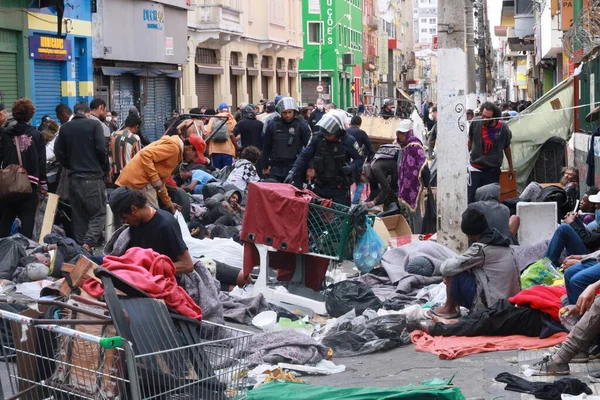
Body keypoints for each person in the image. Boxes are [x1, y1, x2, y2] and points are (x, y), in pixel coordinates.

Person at [431, 207, 521, 318]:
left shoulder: (482, 249)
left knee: (453, 271)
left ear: (469, 234)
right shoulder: (501, 241)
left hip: (492, 307)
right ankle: (450, 308)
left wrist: (449, 274)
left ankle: (449, 309)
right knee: (462, 268)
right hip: (510, 304)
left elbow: (446, 268)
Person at [54, 101, 107, 252]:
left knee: (79, 216)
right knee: (98, 213)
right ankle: (88, 244)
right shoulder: (94, 125)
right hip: (92, 177)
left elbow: (59, 153)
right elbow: (101, 150)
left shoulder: (64, 128)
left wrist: (70, 165)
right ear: (87, 113)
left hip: (74, 179)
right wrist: (100, 166)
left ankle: (81, 252)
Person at [286, 111, 365, 205]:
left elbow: (360, 158)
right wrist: (293, 171)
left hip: (339, 187)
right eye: (325, 135)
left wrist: (351, 167)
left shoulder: (348, 141)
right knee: (314, 216)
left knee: (340, 216)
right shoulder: (318, 138)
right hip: (320, 184)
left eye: (329, 135)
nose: (326, 137)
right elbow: (304, 156)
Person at [108, 186, 193, 273]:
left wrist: (152, 268)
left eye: (125, 217)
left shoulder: (166, 224)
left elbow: (187, 265)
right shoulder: (136, 223)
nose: (125, 222)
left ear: (134, 209)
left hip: (159, 277)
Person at [116, 133, 207, 214]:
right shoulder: (173, 149)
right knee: (152, 216)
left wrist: (169, 203)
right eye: (195, 155)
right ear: (189, 148)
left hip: (138, 181)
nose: (194, 160)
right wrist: (155, 178)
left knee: (150, 216)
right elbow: (145, 154)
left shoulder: (175, 152)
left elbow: (161, 184)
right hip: (138, 182)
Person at [0, 99, 47, 239]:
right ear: (31, 115)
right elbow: (41, 162)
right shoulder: (37, 135)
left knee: (6, 218)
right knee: (27, 219)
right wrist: (43, 183)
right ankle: (25, 250)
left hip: (9, 183)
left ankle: (2, 249)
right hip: (29, 183)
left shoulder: (6, 134)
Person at [467, 101, 514, 204]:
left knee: (491, 201)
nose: (485, 119)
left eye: (488, 117)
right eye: (483, 116)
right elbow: (470, 140)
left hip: (492, 170)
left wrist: (511, 166)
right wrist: (466, 157)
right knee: (472, 199)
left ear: (494, 117)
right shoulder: (475, 122)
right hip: (475, 168)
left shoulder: (503, 128)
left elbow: (507, 147)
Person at [262, 97, 311, 183]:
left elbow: (309, 148)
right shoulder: (272, 125)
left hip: (295, 168)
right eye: (284, 113)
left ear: (294, 111)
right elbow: (266, 147)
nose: (287, 115)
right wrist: (265, 166)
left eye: (290, 112)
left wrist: (310, 167)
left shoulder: (302, 125)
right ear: (280, 112)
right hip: (276, 168)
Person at [394, 119, 427, 211]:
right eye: (399, 133)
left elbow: (423, 165)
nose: (401, 136)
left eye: (403, 133)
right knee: (409, 215)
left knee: (416, 215)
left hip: (416, 186)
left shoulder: (415, 146)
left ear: (409, 133)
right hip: (405, 186)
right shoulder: (403, 147)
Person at [346, 115, 375, 204]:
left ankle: (346, 202)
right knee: (360, 182)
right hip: (357, 161)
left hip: (345, 161)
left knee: (345, 183)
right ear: (359, 124)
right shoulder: (361, 133)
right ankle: (355, 202)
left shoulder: (345, 132)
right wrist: (369, 159)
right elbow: (371, 149)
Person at [365, 143, 400, 209]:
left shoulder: (375, 170)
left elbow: (386, 188)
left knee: (392, 193)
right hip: (389, 170)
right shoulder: (371, 169)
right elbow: (374, 189)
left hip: (396, 170)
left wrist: (373, 202)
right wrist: (370, 200)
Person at [204, 102, 237, 169]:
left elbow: (208, 133)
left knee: (216, 170)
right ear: (228, 110)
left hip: (215, 150)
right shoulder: (232, 119)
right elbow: (237, 135)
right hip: (228, 150)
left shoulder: (213, 119)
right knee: (227, 171)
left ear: (218, 110)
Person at [110, 113, 142, 179]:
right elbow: (138, 159)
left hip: (115, 174)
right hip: (128, 175)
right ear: (136, 126)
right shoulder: (135, 138)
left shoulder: (114, 135)